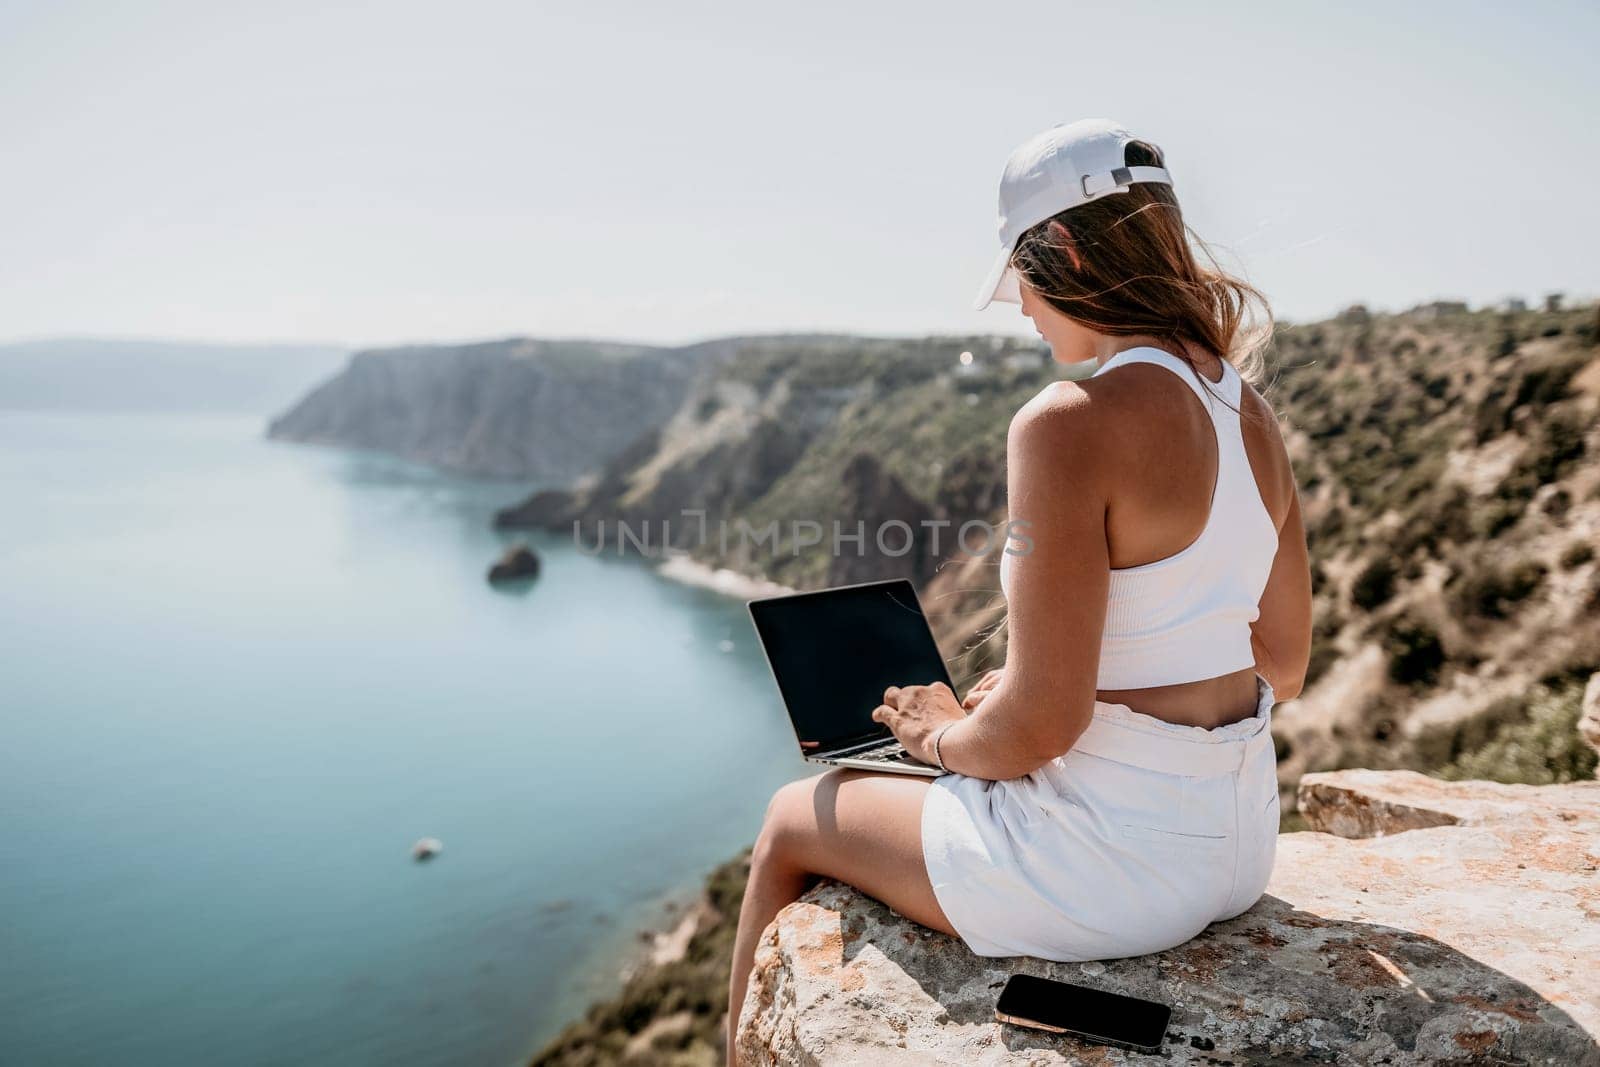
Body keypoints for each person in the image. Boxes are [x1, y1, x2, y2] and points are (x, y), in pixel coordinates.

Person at [724, 118, 1313, 1064]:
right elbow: (1280, 663)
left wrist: (937, 736)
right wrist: (1084, 682)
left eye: (1020, 282)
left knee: (799, 813)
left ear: (1066, 252)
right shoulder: (1251, 413)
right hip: (1238, 849)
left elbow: (1039, 733)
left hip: (1113, 874)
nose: (1024, 314)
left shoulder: (1068, 422)